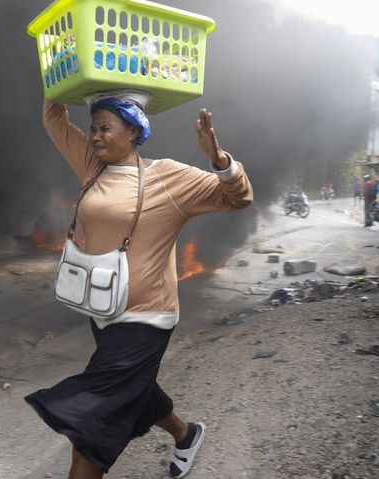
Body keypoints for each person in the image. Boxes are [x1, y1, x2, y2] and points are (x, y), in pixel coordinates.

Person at [25, 93, 253, 479]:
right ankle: (187, 434)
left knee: (94, 416)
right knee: (136, 389)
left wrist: (220, 161)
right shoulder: (91, 166)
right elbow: (55, 120)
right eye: (93, 127)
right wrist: (60, 74)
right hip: (103, 309)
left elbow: (239, 198)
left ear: (133, 131)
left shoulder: (167, 177)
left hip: (147, 319)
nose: (95, 135)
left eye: (105, 127)